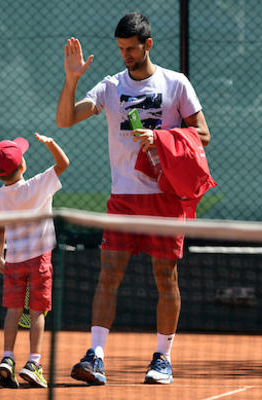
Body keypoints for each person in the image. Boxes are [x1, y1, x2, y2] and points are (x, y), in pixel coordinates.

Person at [56, 12, 211, 385]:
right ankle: (95, 357)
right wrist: (72, 79)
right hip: (123, 199)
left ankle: (163, 359)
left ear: (148, 44)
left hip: (164, 199)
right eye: (121, 48)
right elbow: (65, 119)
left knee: (165, 277)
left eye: (131, 48)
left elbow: (203, 134)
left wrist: (161, 138)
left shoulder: (176, 83)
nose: (125, 55)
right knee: (108, 275)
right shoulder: (110, 87)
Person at [0, 132, 69, 389]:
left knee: (13, 311)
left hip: (13, 262)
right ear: (22, 165)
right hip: (40, 260)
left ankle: (7, 358)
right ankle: (34, 363)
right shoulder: (38, 184)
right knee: (37, 312)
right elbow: (63, 163)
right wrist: (51, 144)